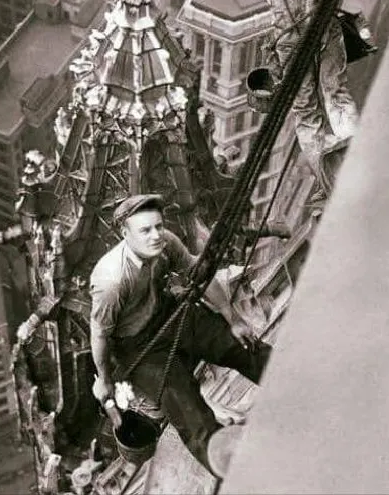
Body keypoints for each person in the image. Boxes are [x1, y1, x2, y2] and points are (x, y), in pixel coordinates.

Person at [89, 194, 271, 473]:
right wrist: (104, 380)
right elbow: (100, 334)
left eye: (158, 226)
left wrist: (232, 319)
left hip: (171, 313)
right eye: (145, 230)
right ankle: (239, 476)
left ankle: (295, 382)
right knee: (191, 415)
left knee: (240, 346)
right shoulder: (111, 280)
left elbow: (197, 270)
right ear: (125, 234)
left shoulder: (166, 242)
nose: (155, 235)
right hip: (139, 347)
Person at [188, 0, 358, 192]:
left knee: (334, 91)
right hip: (288, 44)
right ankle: (330, 180)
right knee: (305, 112)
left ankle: (353, 156)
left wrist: (319, 23)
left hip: (324, 32)